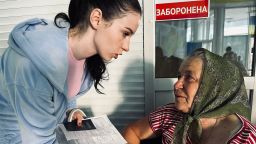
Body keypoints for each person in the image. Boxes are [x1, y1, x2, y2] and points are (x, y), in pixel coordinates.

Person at [0, 0, 142, 143]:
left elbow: (61, 91)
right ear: (96, 18)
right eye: (125, 33)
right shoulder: (29, 65)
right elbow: (37, 139)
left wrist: (71, 111)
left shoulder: (84, 58)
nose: (127, 47)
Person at [122, 48, 256, 144]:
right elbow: (132, 131)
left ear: (214, 88)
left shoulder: (247, 137)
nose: (177, 85)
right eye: (179, 76)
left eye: (189, 77)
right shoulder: (171, 113)